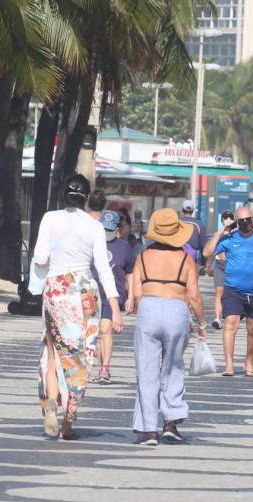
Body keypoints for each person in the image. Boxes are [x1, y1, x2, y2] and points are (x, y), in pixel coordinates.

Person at [32, 174, 122, 440]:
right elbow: (104, 269)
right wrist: (115, 308)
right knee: (81, 356)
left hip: (56, 290)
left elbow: (40, 257)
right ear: (86, 198)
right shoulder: (94, 226)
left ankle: (51, 403)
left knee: (53, 351)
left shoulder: (49, 218)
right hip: (84, 293)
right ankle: (68, 424)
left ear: (63, 195)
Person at [129, 208, 207, 446]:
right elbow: (193, 295)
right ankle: (171, 422)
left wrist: (146, 309)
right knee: (173, 367)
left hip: (149, 308)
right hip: (176, 309)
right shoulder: (185, 259)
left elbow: (137, 292)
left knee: (146, 369)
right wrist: (201, 323)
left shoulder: (142, 256)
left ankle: (148, 429)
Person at [203, 205, 253, 377]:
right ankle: (229, 365)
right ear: (236, 222)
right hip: (233, 290)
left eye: (248, 220)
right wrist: (218, 234)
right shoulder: (229, 238)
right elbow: (207, 252)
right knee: (231, 324)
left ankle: (249, 362)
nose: (245, 223)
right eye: (241, 221)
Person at [90, 210, 136, 385]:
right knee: (95, 335)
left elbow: (130, 273)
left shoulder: (123, 247)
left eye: (109, 229)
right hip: (91, 294)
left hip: (111, 297)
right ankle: (101, 363)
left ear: (116, 229)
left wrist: (131, 296)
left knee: (105, 329)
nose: (106, 232)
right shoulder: (91, 244)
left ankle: (105, 368)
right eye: (103, 228)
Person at [206, 210, 235, 330]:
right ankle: (218, 318)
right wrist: (209, 265)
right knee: (219, 292)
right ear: (222, 219)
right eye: (225, 217)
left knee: (230, 293)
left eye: (229, 217)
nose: (227, 219)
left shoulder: (236, 233)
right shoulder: (219, 233)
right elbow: (212, 250)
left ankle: (230, 316)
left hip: (232, 266)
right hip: (219, 264)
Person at [181, 200, 206, 267]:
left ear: (182, 210)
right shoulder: (199, 224)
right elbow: (203, 245)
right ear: (193, 210)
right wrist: (202, 261)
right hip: (192, 260)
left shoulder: (177, 223)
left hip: (178, 258)